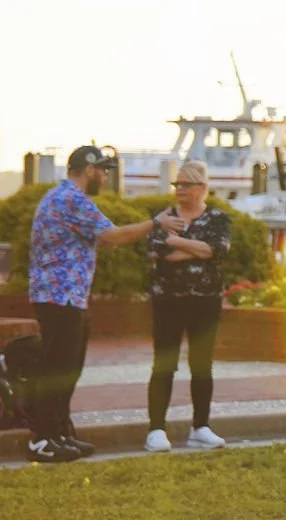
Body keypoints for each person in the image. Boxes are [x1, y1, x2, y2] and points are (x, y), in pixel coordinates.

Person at [23, 146, 157, 462]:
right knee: (57, 368)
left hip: (68, 297)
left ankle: (59, 434)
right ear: (88, 169)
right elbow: (114, 236)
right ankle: (41, 439)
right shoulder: (70, 199)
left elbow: (97, 239)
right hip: (59, 297)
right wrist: (156, 224)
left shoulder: (65, 198)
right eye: (103, 171)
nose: (106, 177)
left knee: (68, 369)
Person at [143, 160, 233, 453]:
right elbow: (159, 253)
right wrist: (197, 249)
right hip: (167, 301)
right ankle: (156, 430)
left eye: (186, 184)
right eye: (177, 184)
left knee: (202, 365)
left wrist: (176, 243)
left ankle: (201, 427)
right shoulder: (164, 218)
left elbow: (217, 250)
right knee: (164, 365)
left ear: (202, 188)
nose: (179, 189)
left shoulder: (218, 218)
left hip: (205, 302)